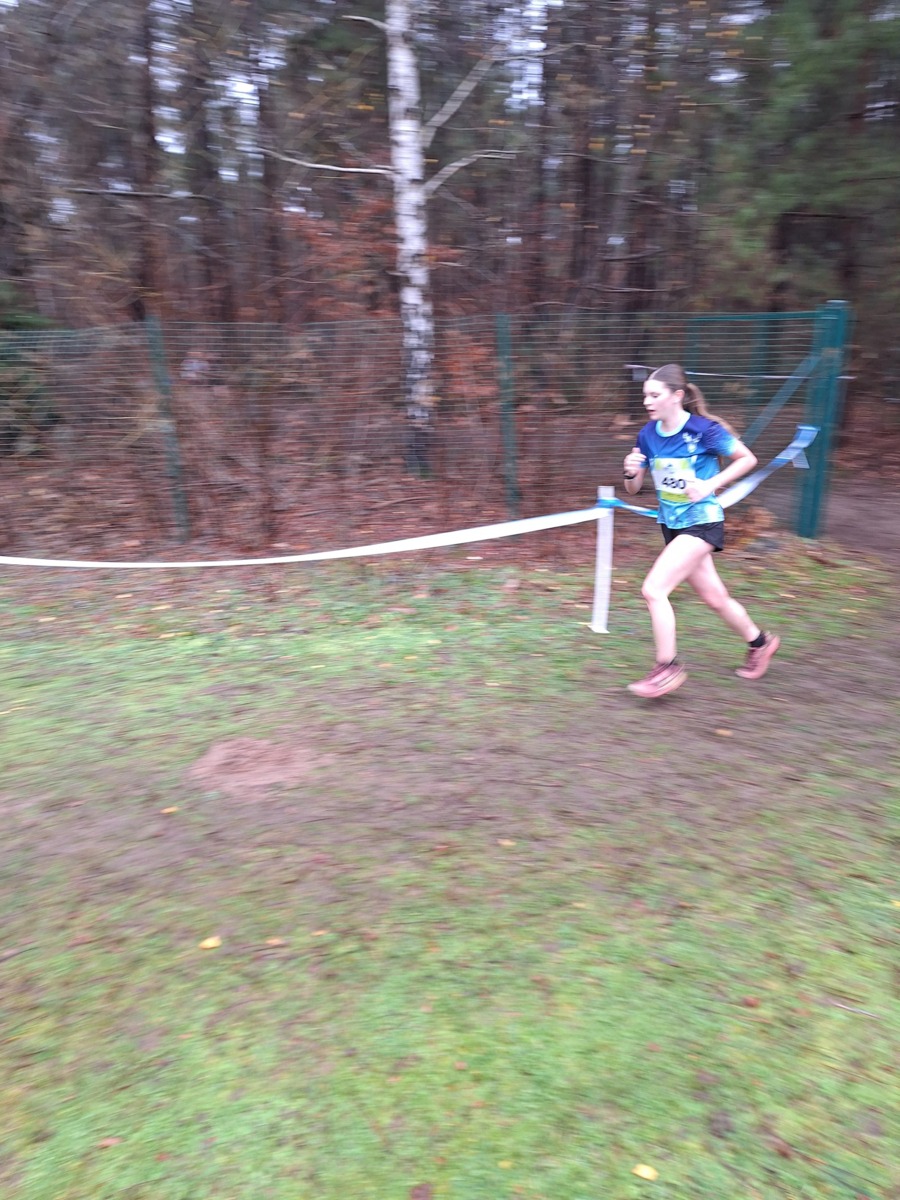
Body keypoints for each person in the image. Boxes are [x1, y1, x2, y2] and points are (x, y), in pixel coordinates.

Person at [622, 363, 780, 699]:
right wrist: (630, 472)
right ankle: (760, 643)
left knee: (654, 590)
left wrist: (710, 484)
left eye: (654, 395)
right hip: (671, 525)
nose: (647, 402)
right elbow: (633, 489)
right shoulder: (647, 435)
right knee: (714, 598)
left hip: (701, 522)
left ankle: (666, 668)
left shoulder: (704, 430)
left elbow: (747, 458)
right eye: (645, 395)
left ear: (677, 396)